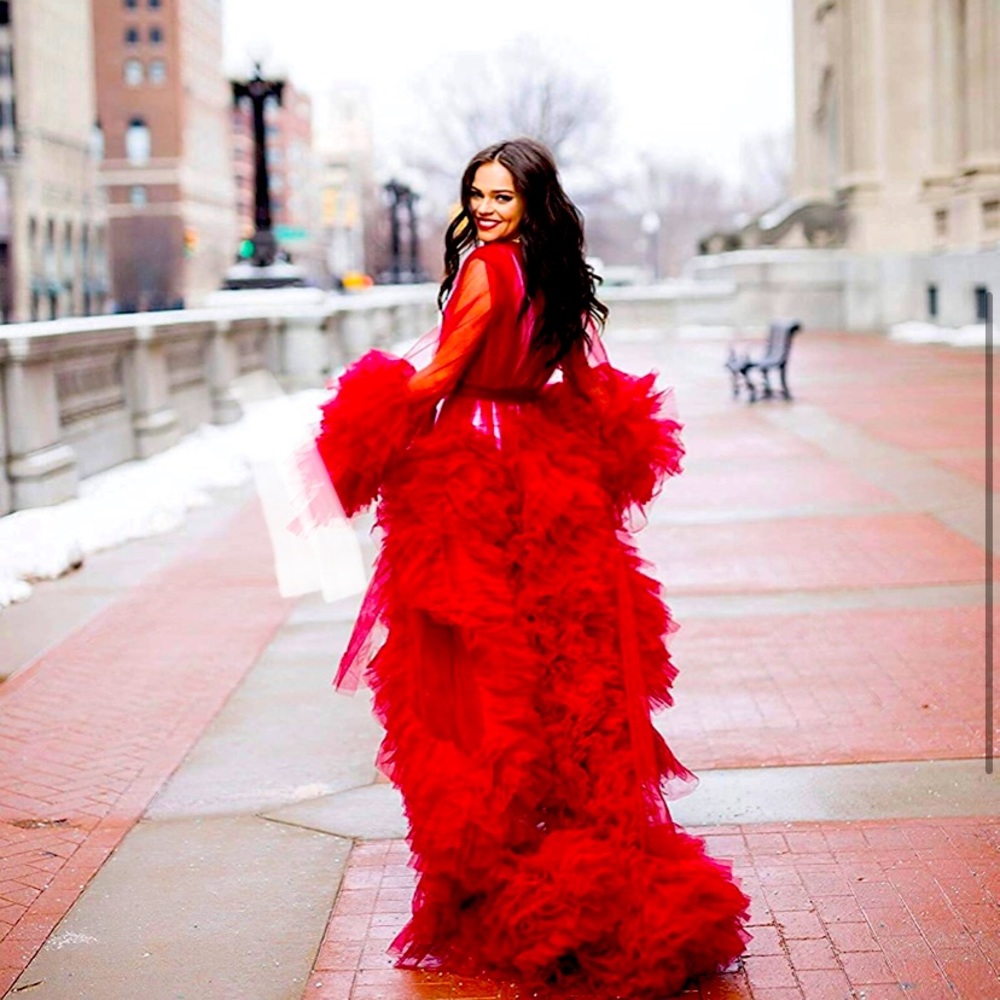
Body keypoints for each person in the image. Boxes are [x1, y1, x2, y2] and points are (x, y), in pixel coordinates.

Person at [309, 138, 750, 998]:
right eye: (477, 193)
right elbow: (587, 387)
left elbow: (439, 374)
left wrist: (351, 423)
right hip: (544, 482)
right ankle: (565, 853)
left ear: (530, 202)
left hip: (468, 481)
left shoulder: (485, 272)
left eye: (501, 196)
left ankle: (495, 865)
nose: (484, 208)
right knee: (562, 675)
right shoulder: (559, 279)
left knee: (472, 681)